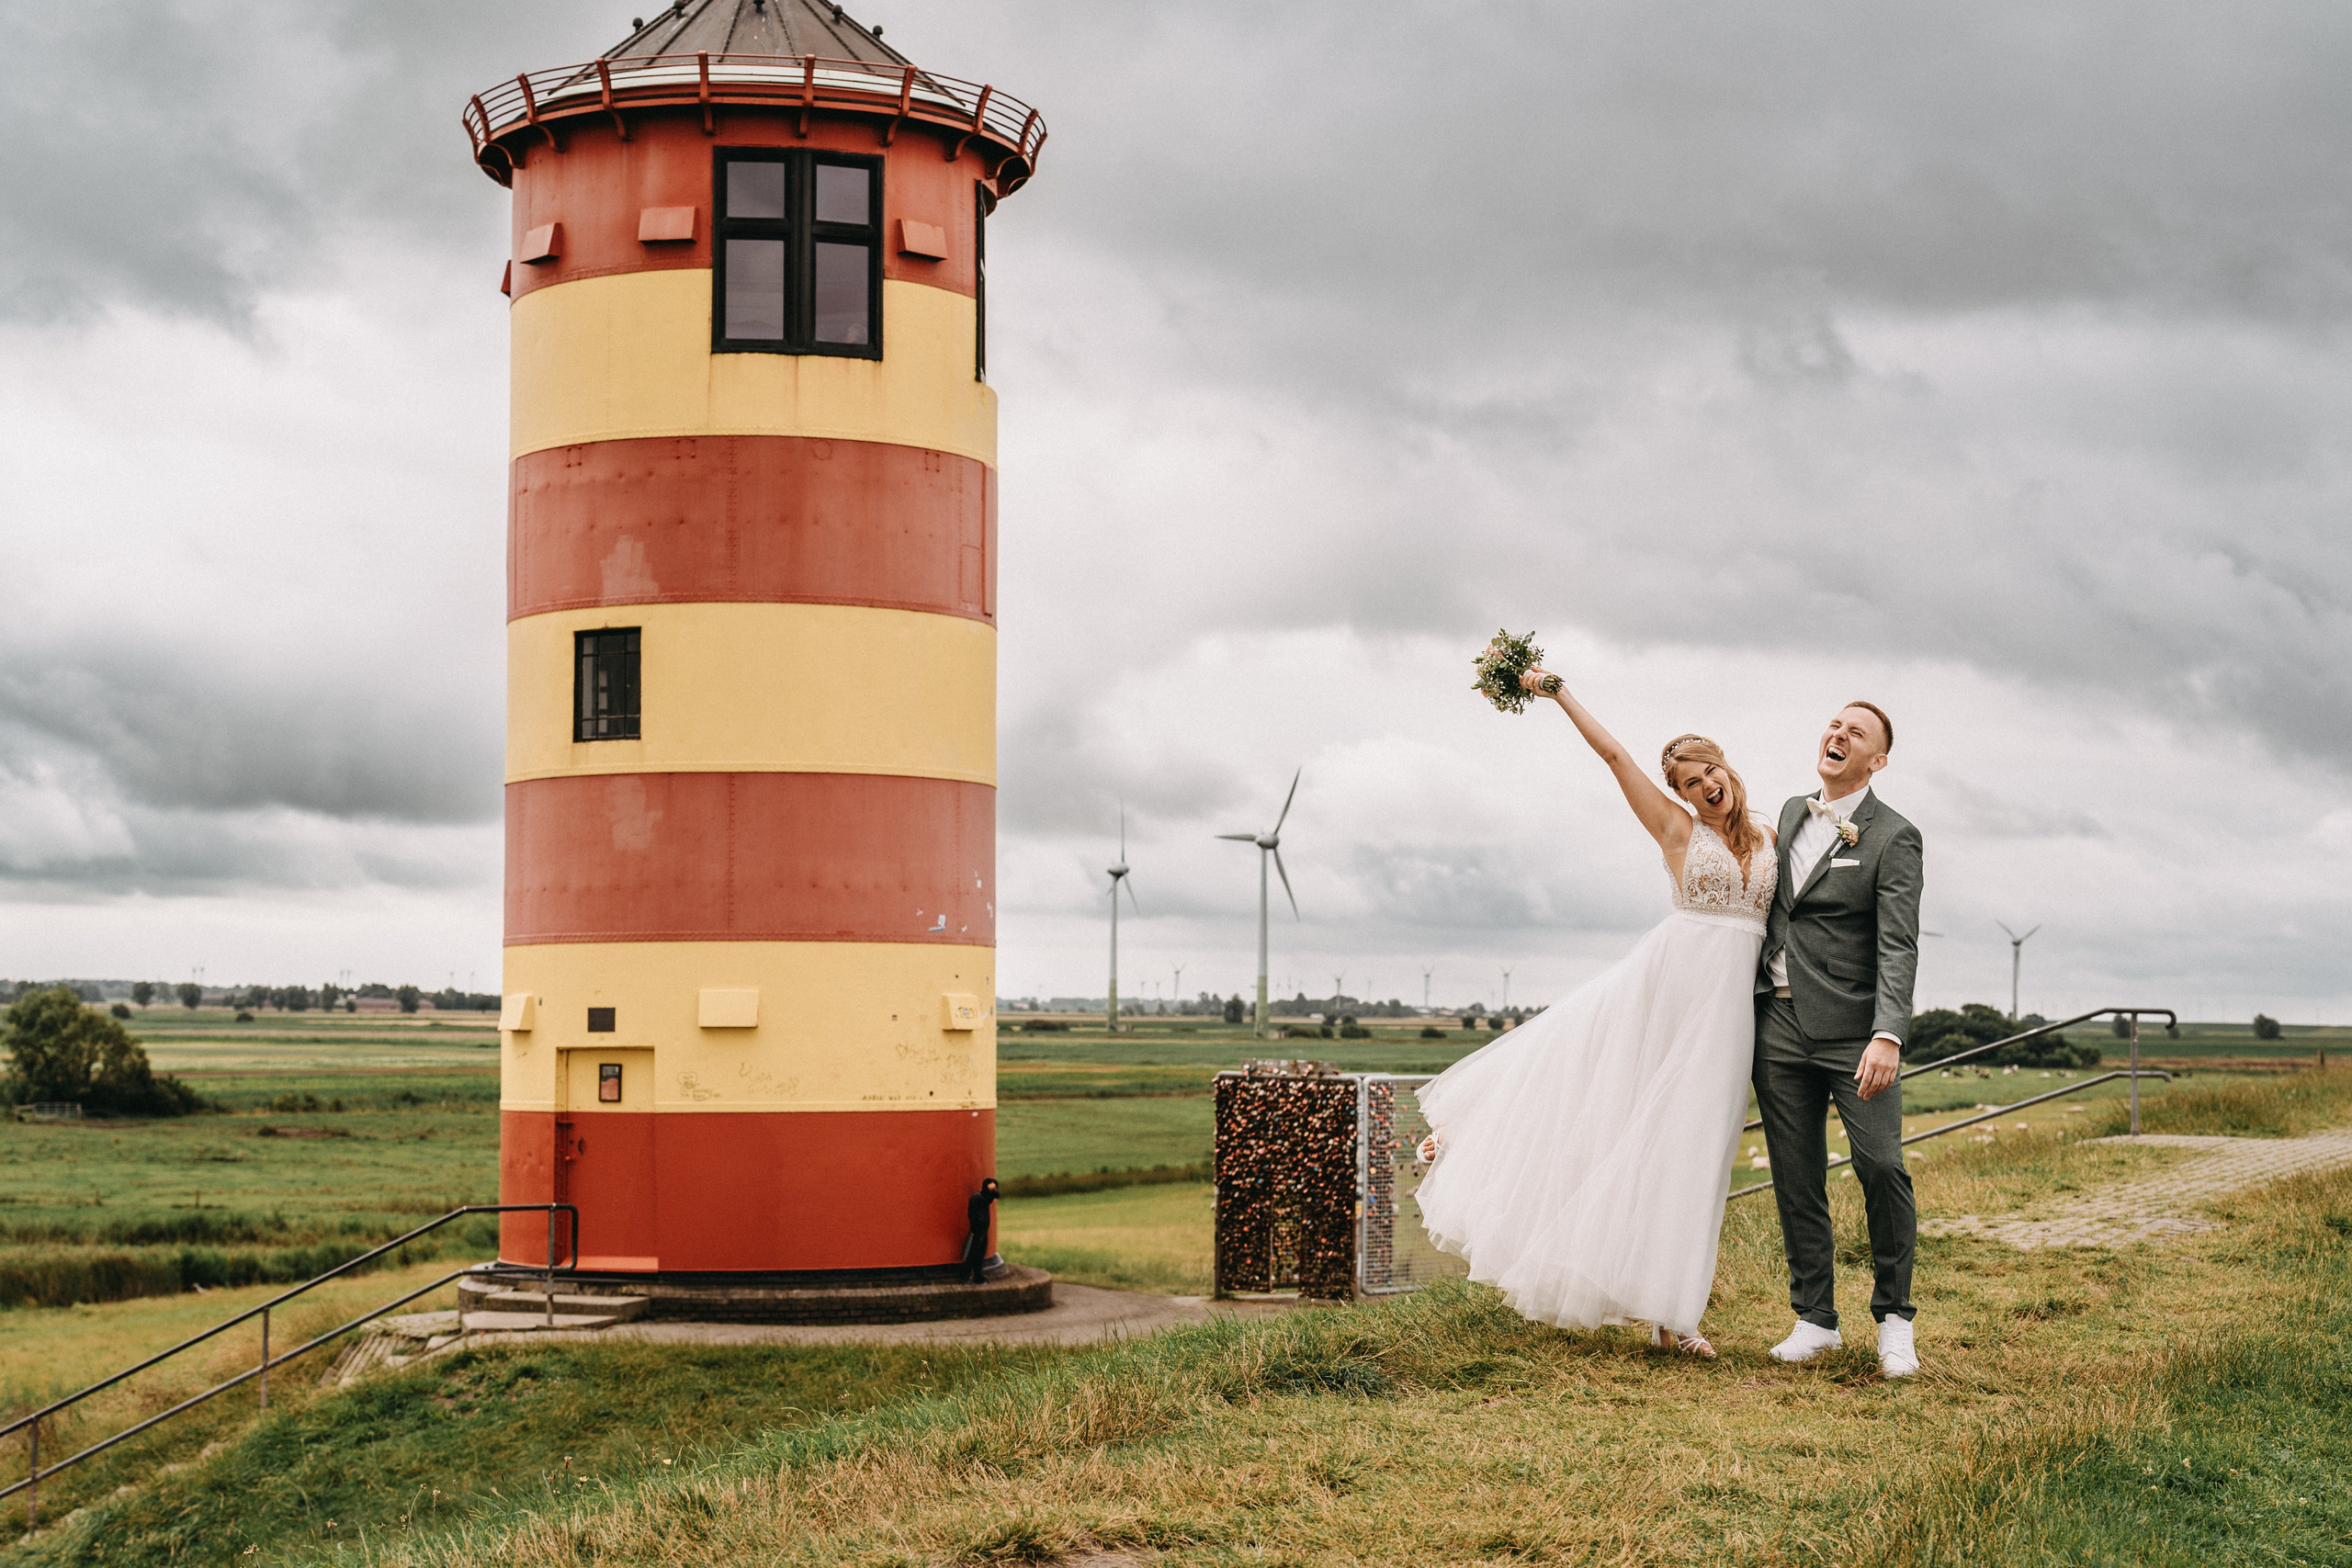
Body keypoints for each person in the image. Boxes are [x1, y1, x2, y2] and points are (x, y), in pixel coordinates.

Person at [1414, 668, 1774, 1357]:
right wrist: (1558, 694)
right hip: (1669, 986)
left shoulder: (1770, 832)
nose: (1705, 785)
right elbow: (1616, 756)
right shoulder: (1676, 829)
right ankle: (1475, 1134)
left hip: (1728, 1012)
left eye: (1709, 770)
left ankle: (1674, 1312)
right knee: (1604, 1096)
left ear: (1725, 764)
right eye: (1690, 781)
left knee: (1699, 1153)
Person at [1752, 702, 1924, 1378]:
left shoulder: (1895, 835)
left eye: (1856, 733)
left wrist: (1888, 1033)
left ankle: (1895, 1320)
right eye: (1833, 725)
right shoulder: (1791, 811)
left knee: (1881, 1165)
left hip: (1856, 1032)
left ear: (1877, 760)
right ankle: (1814, 1318)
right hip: (1779, 1025)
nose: (1838, 735)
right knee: (1796, 1174)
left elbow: (1899, 944)